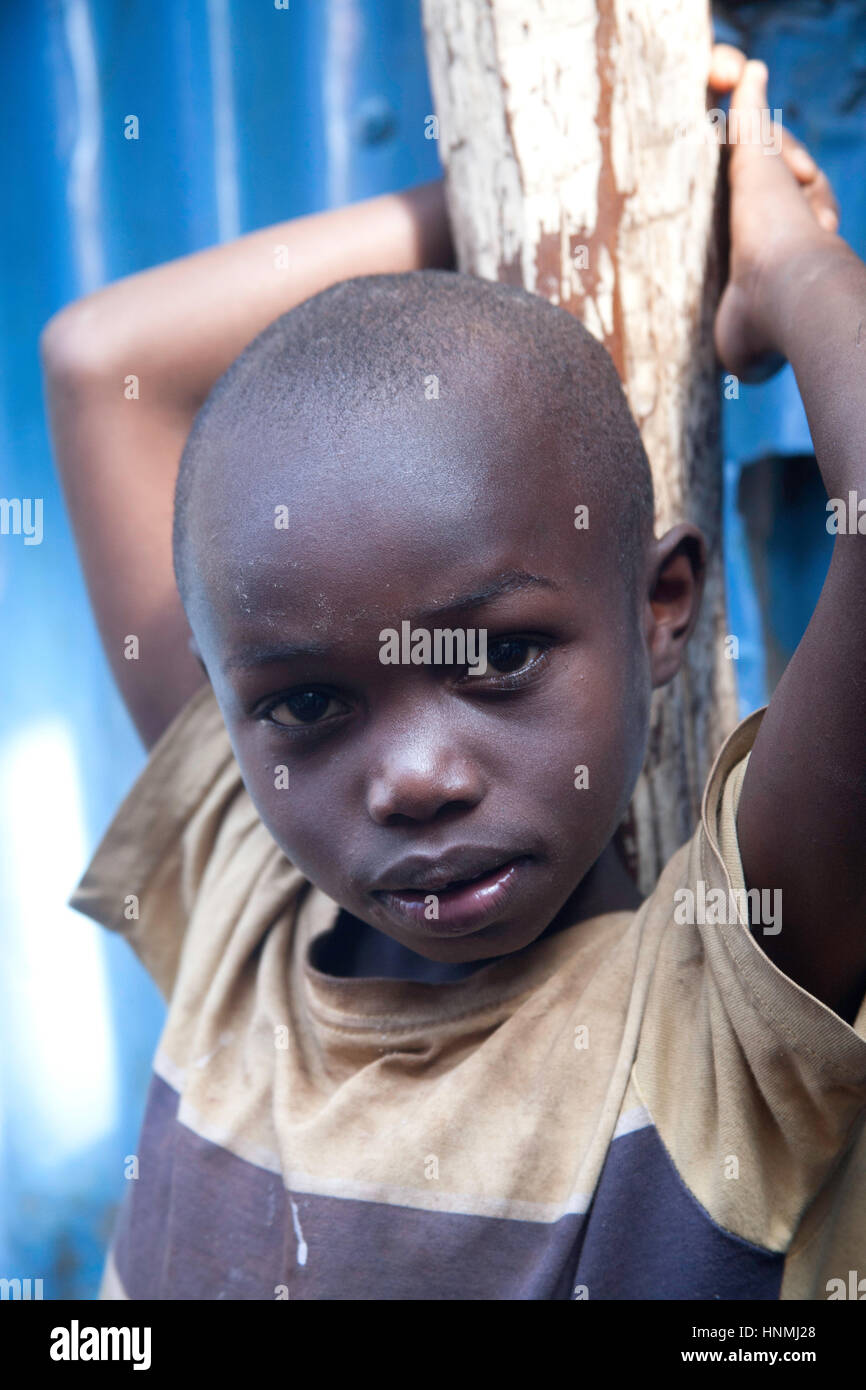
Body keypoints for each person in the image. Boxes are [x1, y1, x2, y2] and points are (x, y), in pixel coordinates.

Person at [40, 47, 866, 1300]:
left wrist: (784, 268)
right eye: (308, 702)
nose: (414, 779)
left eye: (495, 658)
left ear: (661, 607)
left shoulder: (716, 1020)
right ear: (235, 697)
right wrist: (547, 196)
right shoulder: (238, 898)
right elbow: (101, 358)